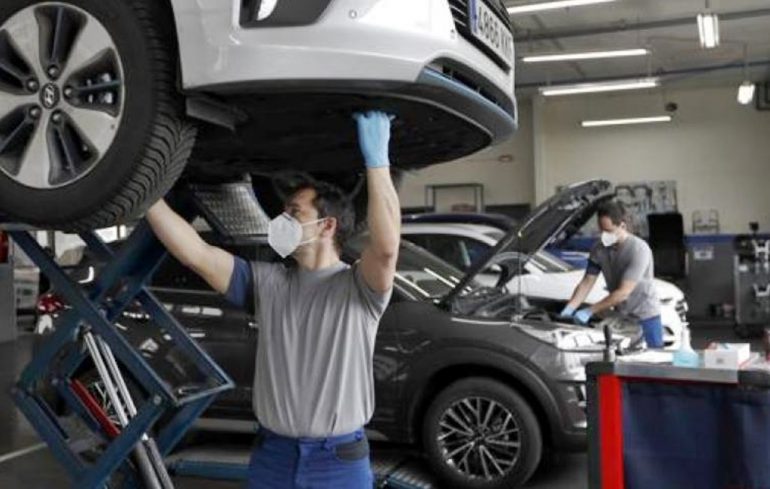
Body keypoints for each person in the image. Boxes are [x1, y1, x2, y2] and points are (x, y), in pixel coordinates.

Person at [145, 111, 400, 488]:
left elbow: (387, 248)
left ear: (327, 225)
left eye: (294, 212)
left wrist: (378, 162)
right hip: (273, 458)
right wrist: (145, 192)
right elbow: (196, 253)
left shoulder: (359, 287)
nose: (282, 221)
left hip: (338, 463)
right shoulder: (266, 283)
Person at [560, 200, 663, 348]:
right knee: (620, 357)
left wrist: (589, 311)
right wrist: (570, 308)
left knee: (654, 358)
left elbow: (623, 292)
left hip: (646, 317)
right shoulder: (598, 249)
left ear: (622, 226)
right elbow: (587, 282)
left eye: (608, 231)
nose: (604, 235)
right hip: (621, 316)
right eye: (601, 231)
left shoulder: (639, 249)